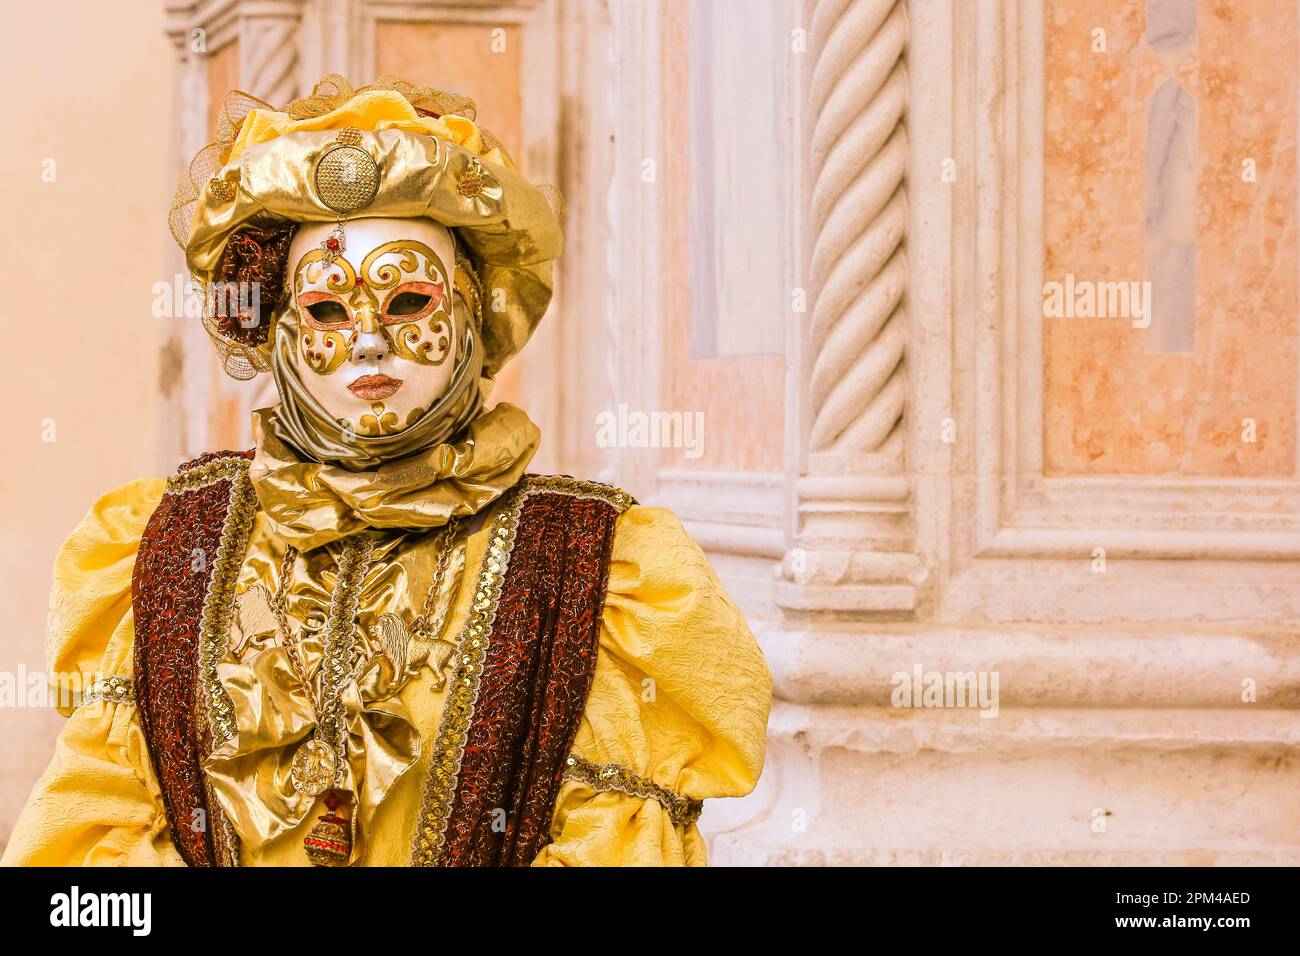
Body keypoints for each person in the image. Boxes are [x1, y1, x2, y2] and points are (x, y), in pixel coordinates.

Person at [1, 76, 770, 867]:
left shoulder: (593, 565)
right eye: (329, 313)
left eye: (407, 304)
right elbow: (99, 831)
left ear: (473, 313)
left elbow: (618, 843)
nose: (368, 344)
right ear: (279, 332)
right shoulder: (167, 541)